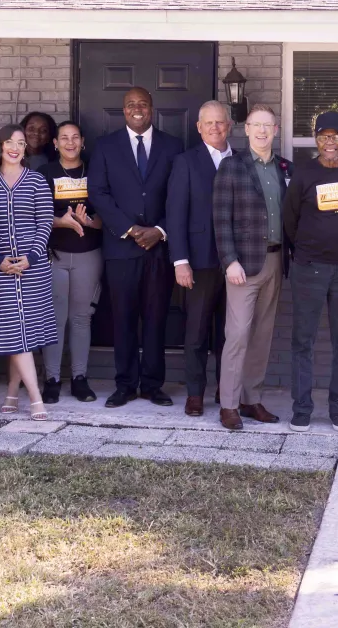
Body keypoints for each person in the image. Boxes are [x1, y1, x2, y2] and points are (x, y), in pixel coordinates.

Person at [87, 87, 183, 408]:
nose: (137, 109)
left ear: (151, 109)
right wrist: (129, 228)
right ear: (123, 111)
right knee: (123, 318)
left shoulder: (173, 146)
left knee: (156, 318)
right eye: (131, 105)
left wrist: (159, 229)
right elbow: (98, 193)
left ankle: (153, 384)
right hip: (121, 248)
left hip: (159, 247)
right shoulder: (105, 147)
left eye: (142, 104)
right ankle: (125, 384)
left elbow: (180, 196)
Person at [283, 111, 338, 433]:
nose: (329, 142)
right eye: (323, 136)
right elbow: (289, 218)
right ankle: (302, 408)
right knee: (302, 340)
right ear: (316, 140)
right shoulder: (304, 172)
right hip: (309, 269)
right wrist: (305, 252)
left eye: (335, 136)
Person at [213, 104, 292, 430]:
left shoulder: (284, 168)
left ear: (275, 131)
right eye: (255, 125)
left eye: (267, 126)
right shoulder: (232, 167)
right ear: (245, 130)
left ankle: (251, 399)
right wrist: (229, 261)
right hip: (243, 264)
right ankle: (228, 404)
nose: (262, 131)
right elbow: (221, 218)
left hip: (275, 260)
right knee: (238, 334)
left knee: (262, 335)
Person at [0, 125, 58, 420]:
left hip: (34, 268)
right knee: (15, 327)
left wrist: (31, 257)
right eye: (10, 142)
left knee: (23, 331)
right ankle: (36, 397)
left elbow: (45, 225)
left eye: (21, 143)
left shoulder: (38, 181)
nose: (15, 148)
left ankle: (13, 392)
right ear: (0, 146)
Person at [168, 101, 233, 417]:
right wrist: (180, 260)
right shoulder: (185, 162)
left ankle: (226, 388)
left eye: (220, 123)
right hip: (199, 261)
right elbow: (175, 214)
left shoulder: (241, 161)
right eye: (208, 123)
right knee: (196, 332)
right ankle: (195, 393)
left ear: (229, 126)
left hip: (236, 263)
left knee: (229, 332)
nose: (215, 128)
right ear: (198, 127)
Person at [37, 121, 102, 404]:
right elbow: (34, 216)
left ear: (83, 141)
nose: (70, 142)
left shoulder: (96, 171)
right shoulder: (44, 173)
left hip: (89, 253)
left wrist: (89, 222)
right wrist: (61, 222)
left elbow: (107, 215)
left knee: (81, 318)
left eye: (75, 137)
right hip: (55, 255)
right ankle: (51, 379)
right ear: (55, 143)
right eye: (64, 138)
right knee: (54, 318)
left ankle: (79, 378)